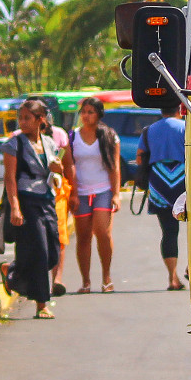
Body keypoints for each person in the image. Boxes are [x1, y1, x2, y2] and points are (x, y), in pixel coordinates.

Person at [0, 100, 65, 319]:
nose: (23, 122)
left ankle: (13, 270)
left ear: (40, 120)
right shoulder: (13, 145)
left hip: (46, 198)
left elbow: (56, 175)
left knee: (53, 252)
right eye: (21, 118)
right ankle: (42, 303)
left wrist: (59, 169)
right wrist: (15, 208)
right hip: (26, 200)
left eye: (27, 118)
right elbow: (9, 178)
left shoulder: (49, 143)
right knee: (40, 250)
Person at [60, 97, 121, 294]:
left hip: (103, 190)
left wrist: (116, 194)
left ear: (98, 114)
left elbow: (115, 167)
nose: (86, 116)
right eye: (83, 112)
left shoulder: (110, 136)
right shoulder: (73, 137)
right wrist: (74, 193)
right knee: (83, 237)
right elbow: (69, 165)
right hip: (81, 192)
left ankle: (106, 277)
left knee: (103, 232)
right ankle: (86, 281)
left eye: (90, 112)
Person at [137, 103, 188, 291]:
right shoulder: (185, 127)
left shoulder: (149, 130)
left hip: (159, 181)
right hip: (184, 178)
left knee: (168, 231)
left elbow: (140, 157)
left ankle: (172, 277)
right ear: (180, 108)